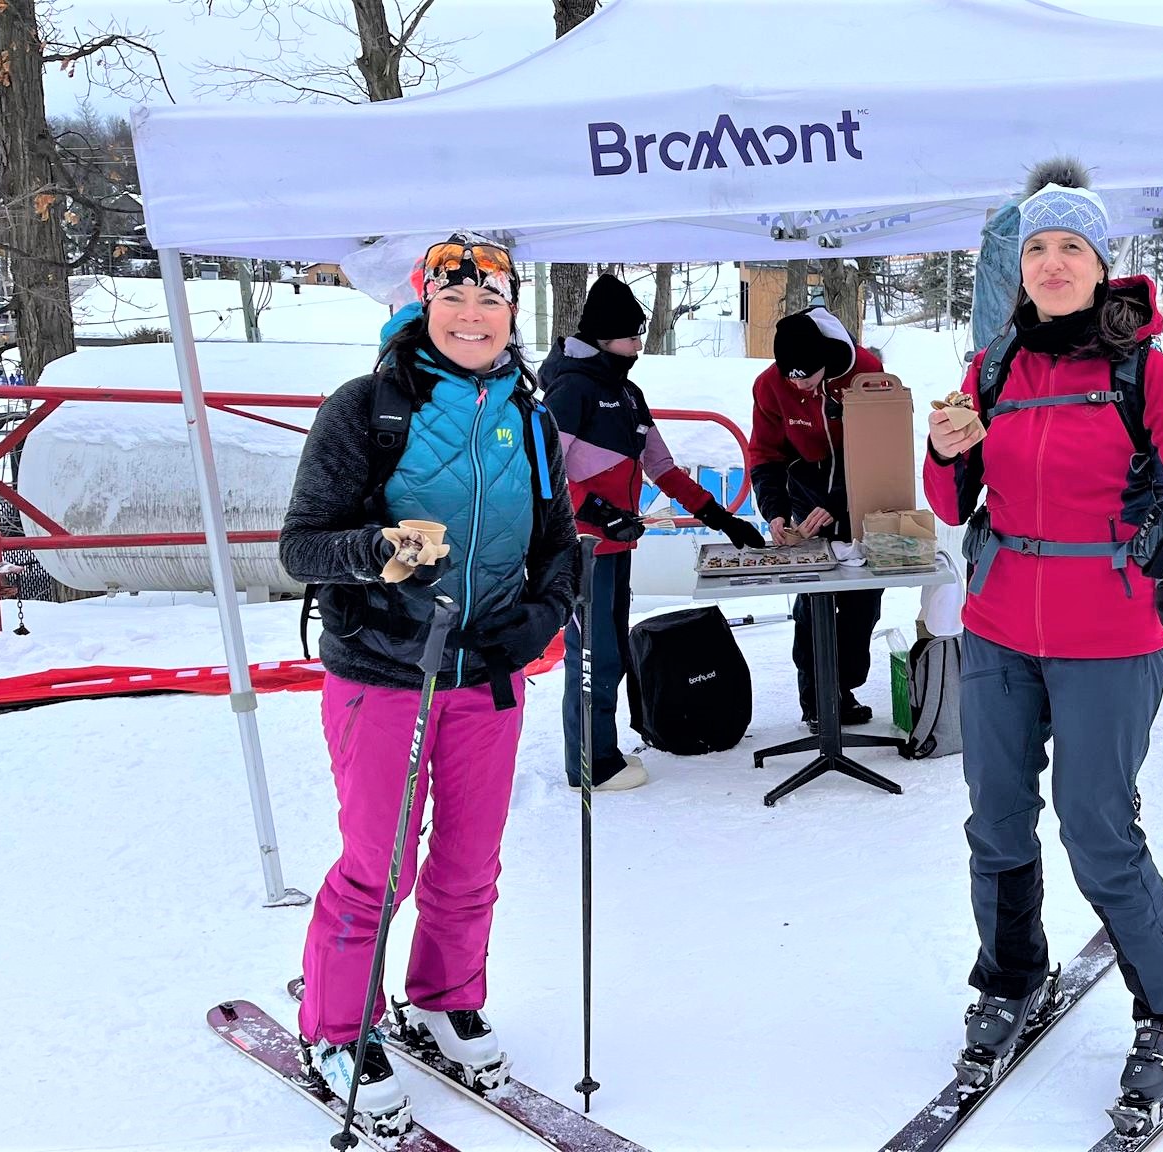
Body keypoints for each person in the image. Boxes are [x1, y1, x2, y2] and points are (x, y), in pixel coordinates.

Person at [923, 160, 1163, 1112]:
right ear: (1020, 267)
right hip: (1003, 620)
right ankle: (1011, 977)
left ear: (1102, 265)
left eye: (1071, 248)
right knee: (996, 820)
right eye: (1038, 248)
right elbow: (949, 500)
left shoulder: (1146, 371)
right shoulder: (994, 366)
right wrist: (942, 450)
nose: (1052, 263)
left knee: (1098, 828)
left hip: (1110, 624)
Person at [279, 234, 578, 1129]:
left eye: (490, 300)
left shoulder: (531, 415)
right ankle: (337, 1025)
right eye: (455, 299)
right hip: (385, 670)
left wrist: (545, 612)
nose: (473, 316)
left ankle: (446, 995)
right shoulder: (367, 408)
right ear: (426, 305)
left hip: (487, 673)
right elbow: (300, 546)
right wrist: (378, 552)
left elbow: (559, 541)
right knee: (379, 865)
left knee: (469, 860)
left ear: (512, 313)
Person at [542, 274, 765, 791]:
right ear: (602, 335)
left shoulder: (627, 391)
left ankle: (603, 750)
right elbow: (546, 472)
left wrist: (719, 516)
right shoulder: (570, 390)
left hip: (617, 544)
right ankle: (589, 764)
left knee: (613, 650)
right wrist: (597, 511)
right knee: (591, 653)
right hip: (583, 546)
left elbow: (662, 467)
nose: (639, 345)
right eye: (631, 336)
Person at [749, 305, 888, 729]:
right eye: (792, 379)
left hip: (863, 485)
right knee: (813, 600)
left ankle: (843, 686)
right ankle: (816, 699)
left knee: (863, 600)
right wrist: (774, 512)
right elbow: (765, 454)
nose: (802, 387)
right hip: (806, 488)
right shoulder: (770, 387)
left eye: (808, 378)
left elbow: (882, 445)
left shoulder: (865, 370)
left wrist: (842, 501)